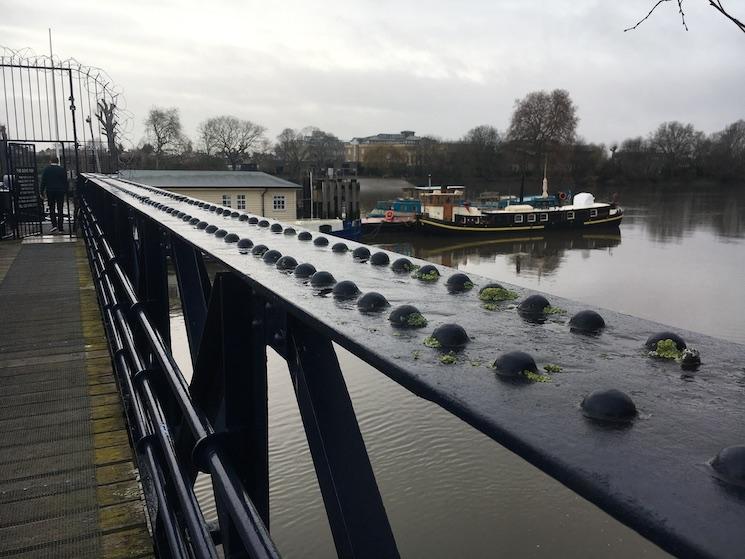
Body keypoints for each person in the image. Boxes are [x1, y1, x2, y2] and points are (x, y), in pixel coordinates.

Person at [40, 156, 69, 233]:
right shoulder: (62, 170)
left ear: (50, 161)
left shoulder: (47, 169)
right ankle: (61, 227)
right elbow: (65, 182)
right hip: (60, 191)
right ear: (58, 161)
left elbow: (43, 181)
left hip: (50, 191)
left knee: (52, 208)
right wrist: (66, 191)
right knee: (60, 209)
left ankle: (54, 225)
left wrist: (41, 192)